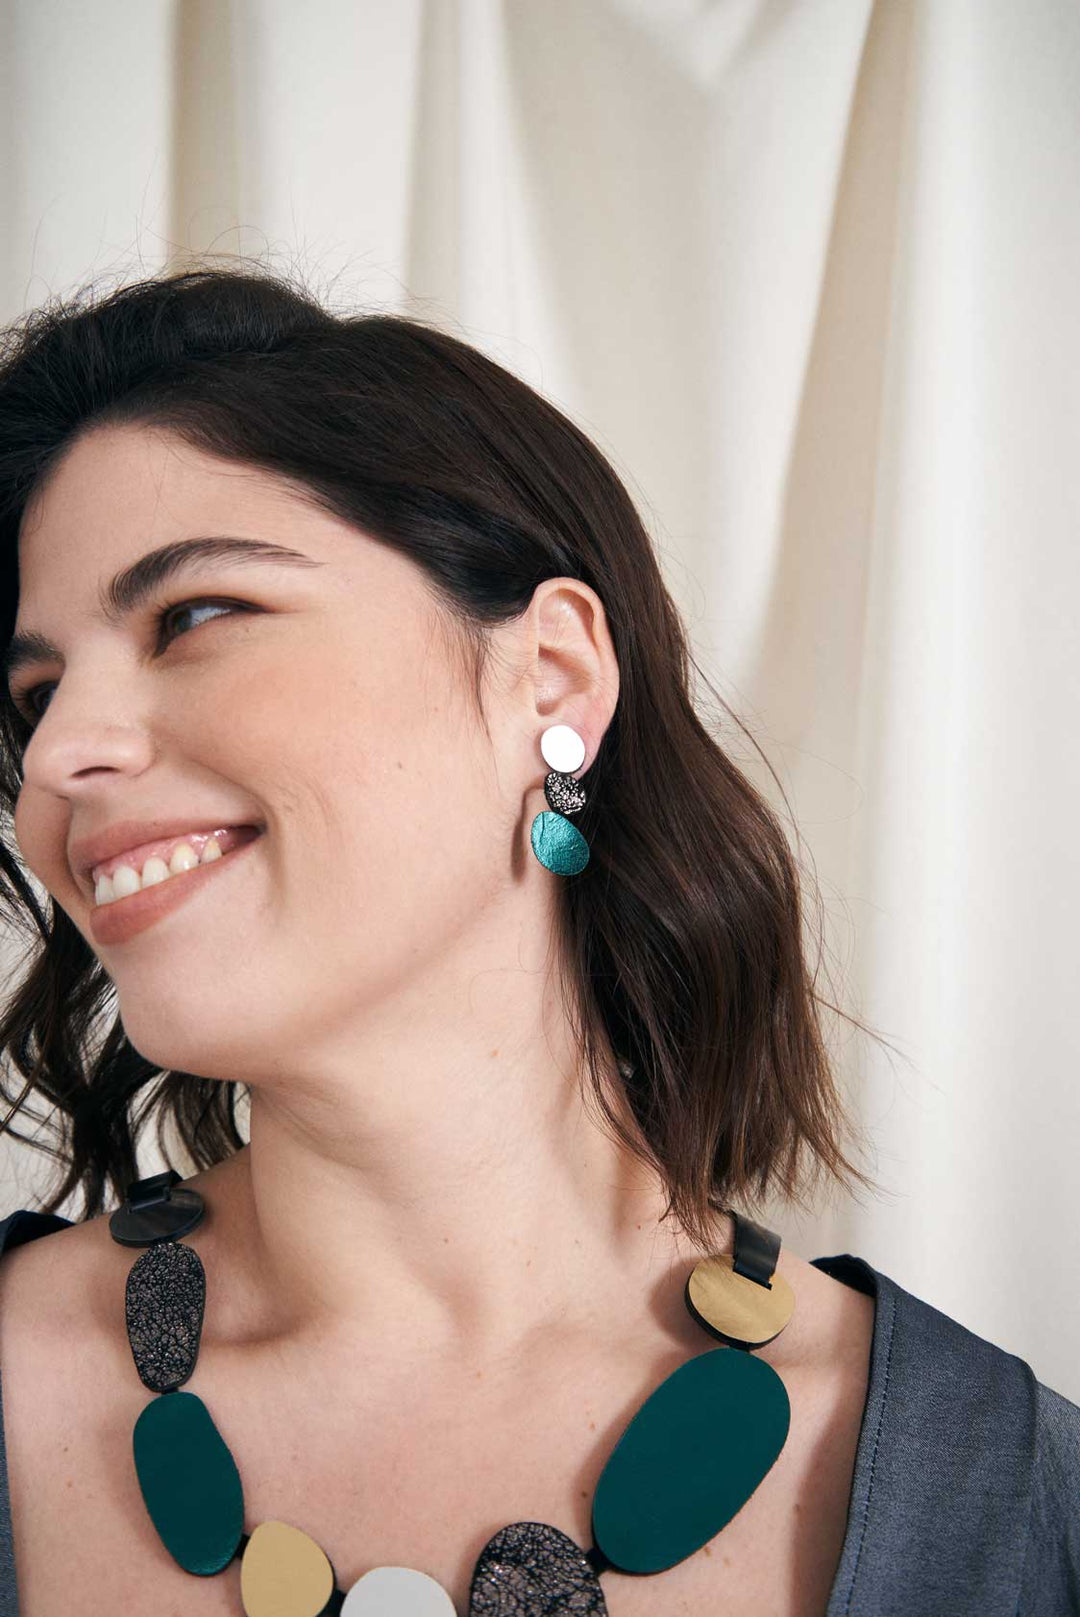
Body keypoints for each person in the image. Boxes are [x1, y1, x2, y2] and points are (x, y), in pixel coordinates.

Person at [0, 265, 1073, 1617]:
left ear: (550, 680)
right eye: (36, 693)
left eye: (193, 614)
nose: (62, 756)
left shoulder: (1014, 1510)